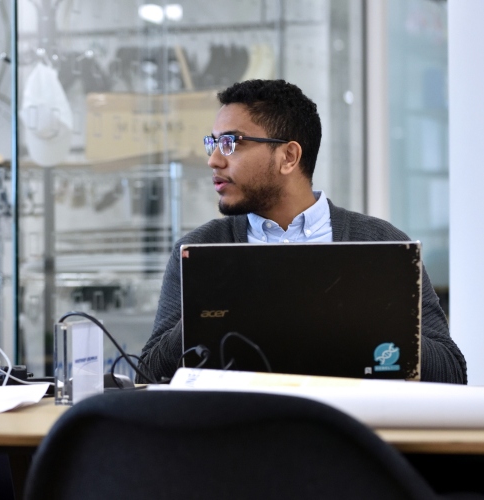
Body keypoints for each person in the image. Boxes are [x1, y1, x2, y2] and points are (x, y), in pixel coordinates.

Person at [139, 79, 467, 384]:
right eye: (213, 143)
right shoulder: (198, 251)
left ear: (289, 156)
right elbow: (149, 374)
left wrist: (371, 318)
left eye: (231, 143)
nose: (213, 160)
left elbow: (451, 371)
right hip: (240, 438)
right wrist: (210, 312)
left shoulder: (383, 244)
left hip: (350, 435)